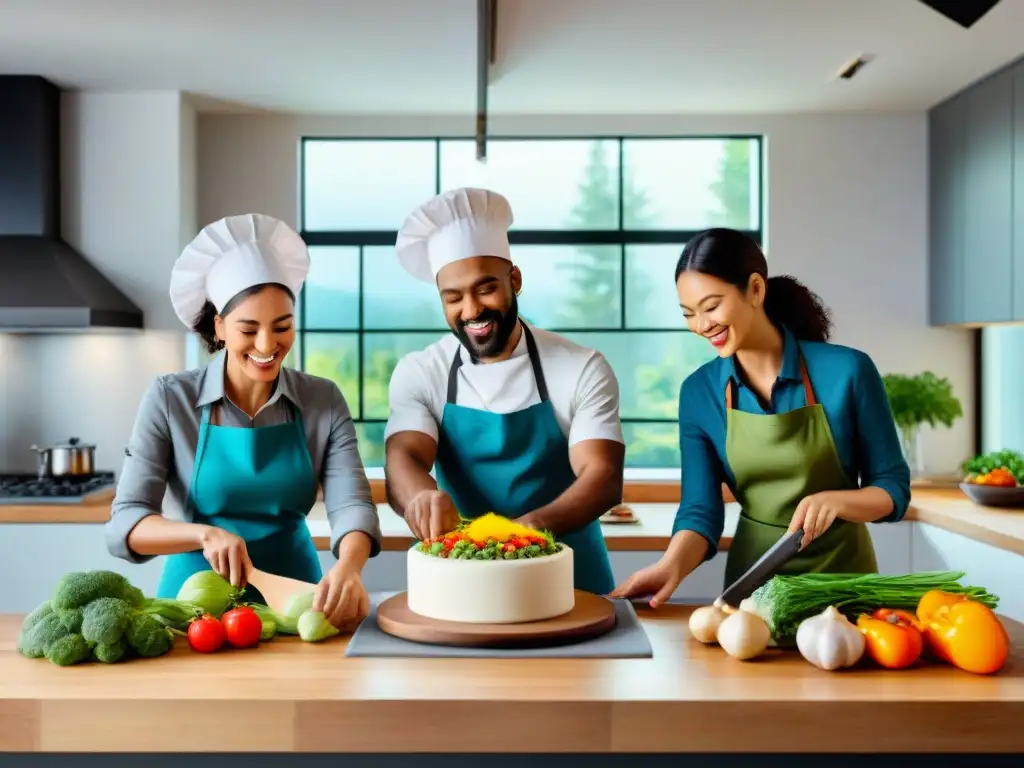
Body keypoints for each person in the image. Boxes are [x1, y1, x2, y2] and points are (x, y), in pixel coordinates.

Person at [106, 213, 383, 630]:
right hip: (195, 611)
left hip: (296, 601)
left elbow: (353, 505)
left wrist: (349, 566)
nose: (267, 345)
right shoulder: (170, 398)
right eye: (248, 329)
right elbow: (125, 524)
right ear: (218, 326)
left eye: (282, 327)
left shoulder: (321, 399)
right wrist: (203, 535)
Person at [611, 228, 911, 607]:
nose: (702, 325)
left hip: (846, 586)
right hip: (755, 594)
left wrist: (839, 502)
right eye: (689, 314)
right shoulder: (699, 393)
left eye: (712, 306)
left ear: (755, 290)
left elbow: (893, 487)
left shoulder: (848, 371)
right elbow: (700, 511)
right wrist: (671, 565)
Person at [382, 187, 624, 595]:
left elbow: (602, 475)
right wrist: (420, 497)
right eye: (453, 298)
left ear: (514, 279)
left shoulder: (581, 366)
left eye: (485, 288)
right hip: (460, 575)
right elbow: (403, 455)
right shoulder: (421, 371)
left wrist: (528, 529)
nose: (472, 310)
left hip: (569, 578)